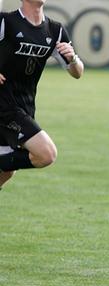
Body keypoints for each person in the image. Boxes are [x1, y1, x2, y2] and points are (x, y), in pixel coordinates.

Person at [0, 0, 84, 190]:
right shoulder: (6, 21)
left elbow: (78, 73)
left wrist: (73, 59)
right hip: (5, 106)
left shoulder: (55, 30)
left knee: (6, 172)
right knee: (46, 154)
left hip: (25, 107)